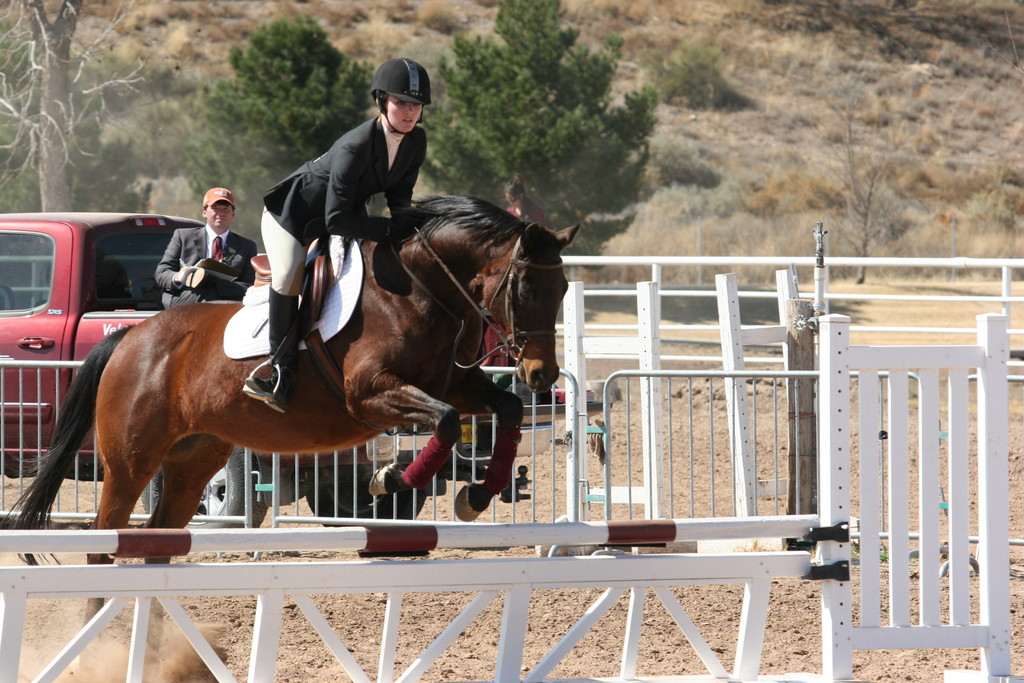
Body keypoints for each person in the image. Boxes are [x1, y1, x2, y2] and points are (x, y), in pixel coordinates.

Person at [242, 57, 431, 413]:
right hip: (293, 216)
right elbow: (336, 220)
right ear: (382, 101)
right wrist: (391, 229)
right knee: (287, 275)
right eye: (401, 102)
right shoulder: (355, 144)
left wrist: (413, 231)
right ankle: (276, 371)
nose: (409, 112)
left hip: (344, 214)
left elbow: (399, 202)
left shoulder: (415, 142)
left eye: (416, 105)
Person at [154, 187, 258, 309]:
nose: (221, 213)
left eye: (225, 209)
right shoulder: (183, 237)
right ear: (204, 212)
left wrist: (214, 282)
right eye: (215, 208)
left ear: (233, 214)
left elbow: (249, 287)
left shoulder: (247, 246)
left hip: (225, 305)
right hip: (185, 301)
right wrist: (179, 277)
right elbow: (162, 273)